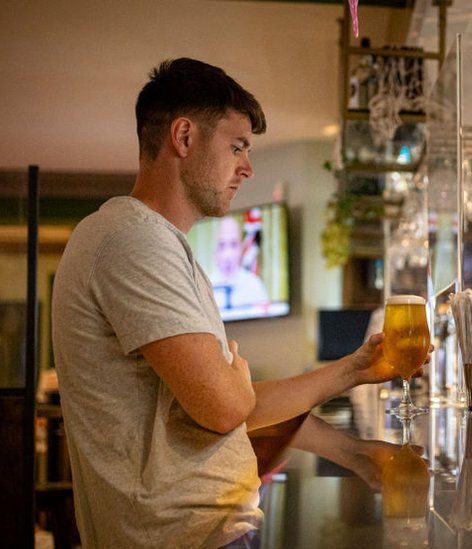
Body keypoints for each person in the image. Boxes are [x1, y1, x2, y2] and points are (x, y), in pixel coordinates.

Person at [51, 58, 417, 548]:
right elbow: (226, 408)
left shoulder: (163, 246)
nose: (247, 167)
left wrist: (354, 384)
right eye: (237, 146)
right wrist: (233, 385)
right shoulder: (130, 240)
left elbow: (234, 404)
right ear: (183, 137)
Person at [211, 216, 269, 311]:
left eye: (233, 245)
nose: (227, 255)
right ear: (215, 251)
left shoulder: (255, 285)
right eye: (222, 245)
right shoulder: (205, 289)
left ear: (241, 248)